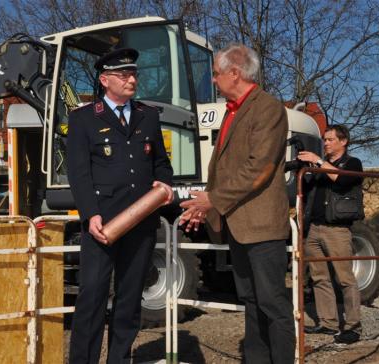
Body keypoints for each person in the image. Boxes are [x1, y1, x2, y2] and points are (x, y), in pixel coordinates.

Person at [179, 43, 295, 364]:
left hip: (261, 227)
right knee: (251, 301)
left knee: (273, 303)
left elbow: (260, 170)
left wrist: (212, 200)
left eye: (216, 74)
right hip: (238, 225)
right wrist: (204, 208)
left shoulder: (267, 108)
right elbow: (224, 171)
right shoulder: (233, 111)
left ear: (235, 73)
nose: (213, 81)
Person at [67, 48, 173, 364]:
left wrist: (164, 184)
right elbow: (79, 172)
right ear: (104, 79)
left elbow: (162, 164)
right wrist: (90, 215)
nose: (132, 79)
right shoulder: (84, 118)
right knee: (92, 296)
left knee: (129, 300)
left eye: (134, 74)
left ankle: (119, 359)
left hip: (141, 223)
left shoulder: (148, 115)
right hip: (103, 224)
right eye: (124, 74)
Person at [297, 124, 363, 344]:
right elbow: (306, 192)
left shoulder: (352, 163)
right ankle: (328, 323)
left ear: (343, 141)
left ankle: (353, 327)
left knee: (345, 279)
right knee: (319, 278)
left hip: (337, 230)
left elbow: (344, 181)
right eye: (324, 139)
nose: (325, 143)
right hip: (314, 229)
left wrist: (317, 162)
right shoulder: (319, 166)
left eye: (330, 139)